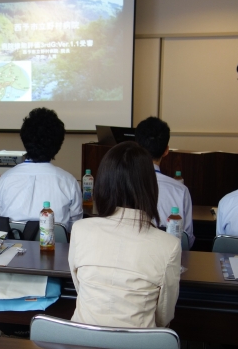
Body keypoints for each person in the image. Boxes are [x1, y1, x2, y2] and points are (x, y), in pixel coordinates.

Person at [69, 141, 181, 328]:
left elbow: (81, 289)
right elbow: (164, 317)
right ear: (150, 187)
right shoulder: (169, 245)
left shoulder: (80, 229)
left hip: (81, 346)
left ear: (103, 184)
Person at [0, 107, 82, 230]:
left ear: (24, 139)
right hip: (56, 248)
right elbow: (75, 226)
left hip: (12, 246)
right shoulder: (68, 181)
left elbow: (2, 217)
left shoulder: (6, 178)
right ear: (58, 144)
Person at [135, 116, 194, 246]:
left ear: (137, 148)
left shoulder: (124, 185)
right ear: (166, 151)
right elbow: (187, 240)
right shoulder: (181, 190)